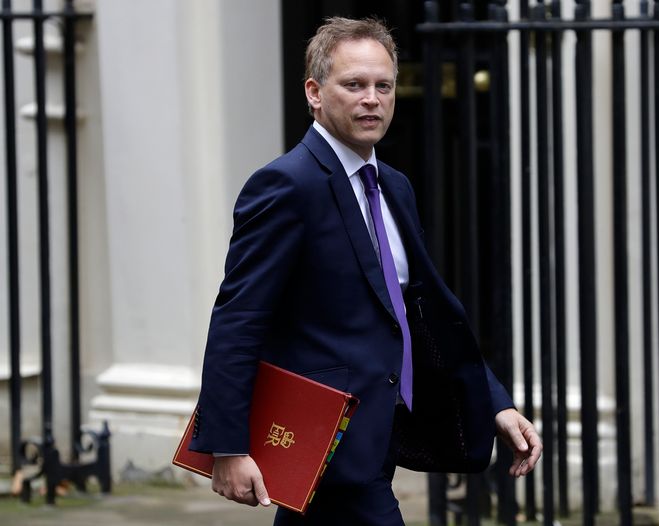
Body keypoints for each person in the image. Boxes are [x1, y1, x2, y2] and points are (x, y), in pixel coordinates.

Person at [190, 16, 542, 526]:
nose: (371, 99)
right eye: (353, 85)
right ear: (314, 92)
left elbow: (417, 313)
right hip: (327, 440)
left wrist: (494, 403)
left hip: (379, 433)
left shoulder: (394, 186)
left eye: (383, 85)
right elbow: (238, 318)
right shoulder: (286, 186)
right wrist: (227, 446)